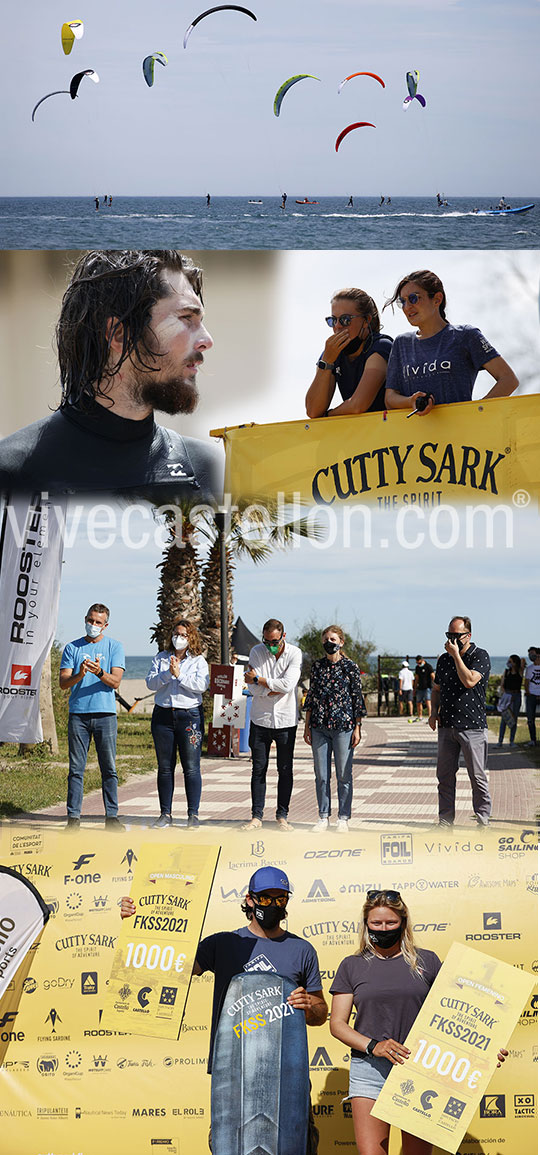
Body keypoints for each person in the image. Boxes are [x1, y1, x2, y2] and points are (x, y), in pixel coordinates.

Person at [121, 865, 328, 1154]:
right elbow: (171, 967)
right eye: (265, 898)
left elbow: (320, 1013)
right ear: (250, 899)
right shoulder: (223, 943)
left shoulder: (302, 949)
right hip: (232, 1070)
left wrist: (309, 1006)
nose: (273, 905)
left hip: (287, 1073)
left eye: (280, 899)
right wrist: (138, 923)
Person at [0, 250, 222, 500]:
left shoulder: (213, 472)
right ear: (120, 335)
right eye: (186, 318)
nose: (206, 340)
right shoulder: (11, 472)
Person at [329, 890, 507, 1155]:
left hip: (422, 1067)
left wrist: (486, 1048)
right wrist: (373, 1046)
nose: (383, 928)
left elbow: (458, 1014)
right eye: (376, 923)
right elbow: (337, 1024)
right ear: (366, 924)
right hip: (369, 1071)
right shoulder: (351, 965)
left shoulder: (428, 961)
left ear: (403, 922)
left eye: (391, 923)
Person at [383, 269, 519, 415]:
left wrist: (478, 412)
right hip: (413, 437)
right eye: (402, 302)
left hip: (461, 434)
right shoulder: (401, 343)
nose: (407, 307)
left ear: (437, 299)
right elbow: (390, 399)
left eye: (413, 298)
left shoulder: (466, 335)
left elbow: (509, 380)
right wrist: (411, 401)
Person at [60, 603, 125, 829]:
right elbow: (63, 683)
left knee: (109, 768)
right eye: (91, 620)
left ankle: (112, 817)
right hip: (78, 715)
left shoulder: (114, 647)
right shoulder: (72, 648)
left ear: (105, 625)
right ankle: (73, 818)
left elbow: (115, 682)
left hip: (105, 715)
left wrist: (98, 672)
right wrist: (80, 673)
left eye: (98, 622)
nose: (93, 625)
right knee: (76, 769)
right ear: (85, 620)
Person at [145, 618, 209, 828]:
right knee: (165, 767)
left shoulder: (198, 660)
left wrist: (179, 676)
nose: (178, 638)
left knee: (191, 767)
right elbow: (150, 683)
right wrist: (167, 674)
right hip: (163, 716)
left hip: (189, 716)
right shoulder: (161, 658)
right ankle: (165, 814)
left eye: (183, 635)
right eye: (176, 634)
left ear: (191, 638)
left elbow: (201, 686)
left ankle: (193, 815)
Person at [428, 616, 491, 826]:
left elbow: (470, 681)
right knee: (445, 777)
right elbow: (436, 689)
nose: (453, 640)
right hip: (447, 726)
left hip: (472, 726)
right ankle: (445, 822)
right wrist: (433, 712)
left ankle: (483, 821)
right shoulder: (443, 659)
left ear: (469, 635)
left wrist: (456, 656)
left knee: (477, 777)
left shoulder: (479, 656)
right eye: (449, 635)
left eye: (457, 636)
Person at [303, 625, 365, 833]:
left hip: (343, 726)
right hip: (319, 726)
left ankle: (343, 817)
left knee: (344, 774)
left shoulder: (350, 667)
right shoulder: (317, 666)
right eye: (326, 640)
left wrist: (357, 727)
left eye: (333, 639)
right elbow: (310, 697)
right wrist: (306, 726)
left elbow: (357, 698)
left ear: (341, 642)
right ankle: (323, 816)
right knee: (321, 774)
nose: (329, 643)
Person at [242, 618, 302, 832]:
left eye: (274, 641)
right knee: (258, 769)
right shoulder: (257, 652)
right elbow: (252, 689)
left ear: (283, 636)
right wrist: (261, 684)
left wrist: (260, 680)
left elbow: (288, 685)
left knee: (285, 769)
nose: (270, 646)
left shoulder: (295, 653)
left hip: (286, 720)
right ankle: (256, 816)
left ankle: (282, 815)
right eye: (267, 641)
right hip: (260, 719)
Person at [305, 288, 393, 418]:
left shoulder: (381, 347)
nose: (338, 326)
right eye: (333, 320)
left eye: (345, 320)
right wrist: (326, 362)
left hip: (392, 433)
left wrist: (326, 417)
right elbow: (313, 411)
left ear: (366, 320)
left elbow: (358, 405)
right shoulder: (331, 353)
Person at [497, 653, 522, 747]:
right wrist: (505, 695)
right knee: (504, 718)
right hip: (507, 695)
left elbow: (523, 660)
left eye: (510, 661)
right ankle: (500, 741)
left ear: (515, 663)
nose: (508, 663)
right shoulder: (506, 672)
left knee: (514, 718)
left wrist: (517, 663)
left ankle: (512, 741)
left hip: (516, 696)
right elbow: (502, 684)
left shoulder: (520, 672)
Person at [524, 646, 540, 747]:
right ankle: (533, 740)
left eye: (533, 654)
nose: (532, 656)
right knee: (530, 719)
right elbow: (526, 683)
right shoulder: (529, 669)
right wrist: (528, 693)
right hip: (531, 696)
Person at [413, 655, 434, 720]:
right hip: (420, 688)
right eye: (417, 663)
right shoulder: (417, 668)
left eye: (419, 663)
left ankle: (430, 716)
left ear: (422, 660)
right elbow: (416, 678)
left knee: (428, 702)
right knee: (418, 702)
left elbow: (433, 676)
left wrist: (435, 685)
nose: (418, 664)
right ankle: (420, 716)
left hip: (427, 687)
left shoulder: (428, 666)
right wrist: (415, 688)